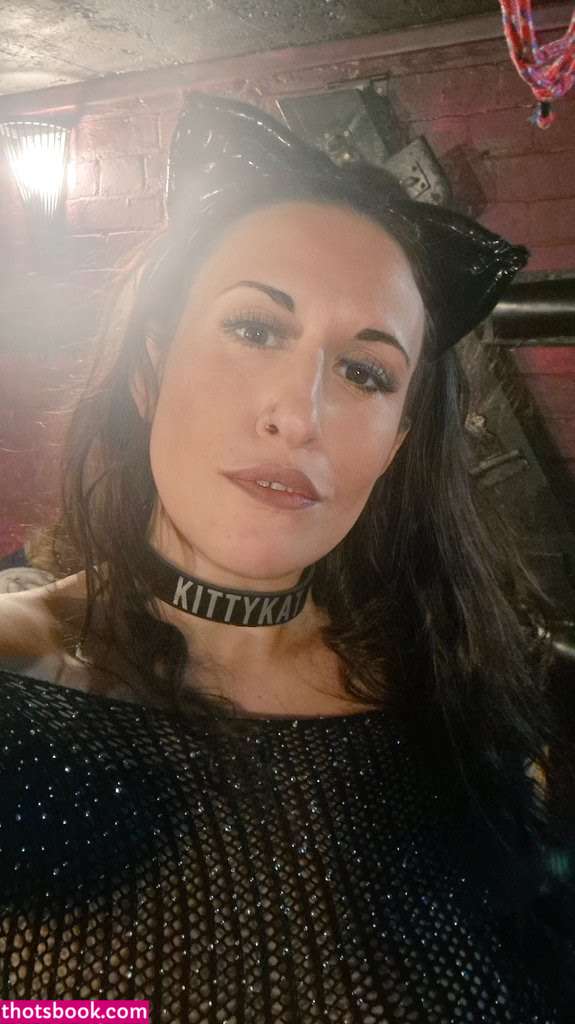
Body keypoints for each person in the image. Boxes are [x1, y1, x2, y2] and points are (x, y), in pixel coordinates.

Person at [0, 92, 572, 1020]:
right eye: (255, 329)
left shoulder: (463, 708)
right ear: (150, 369)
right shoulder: (17, 666)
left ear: (394, 446)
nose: (299, 414)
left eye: (364, 372)